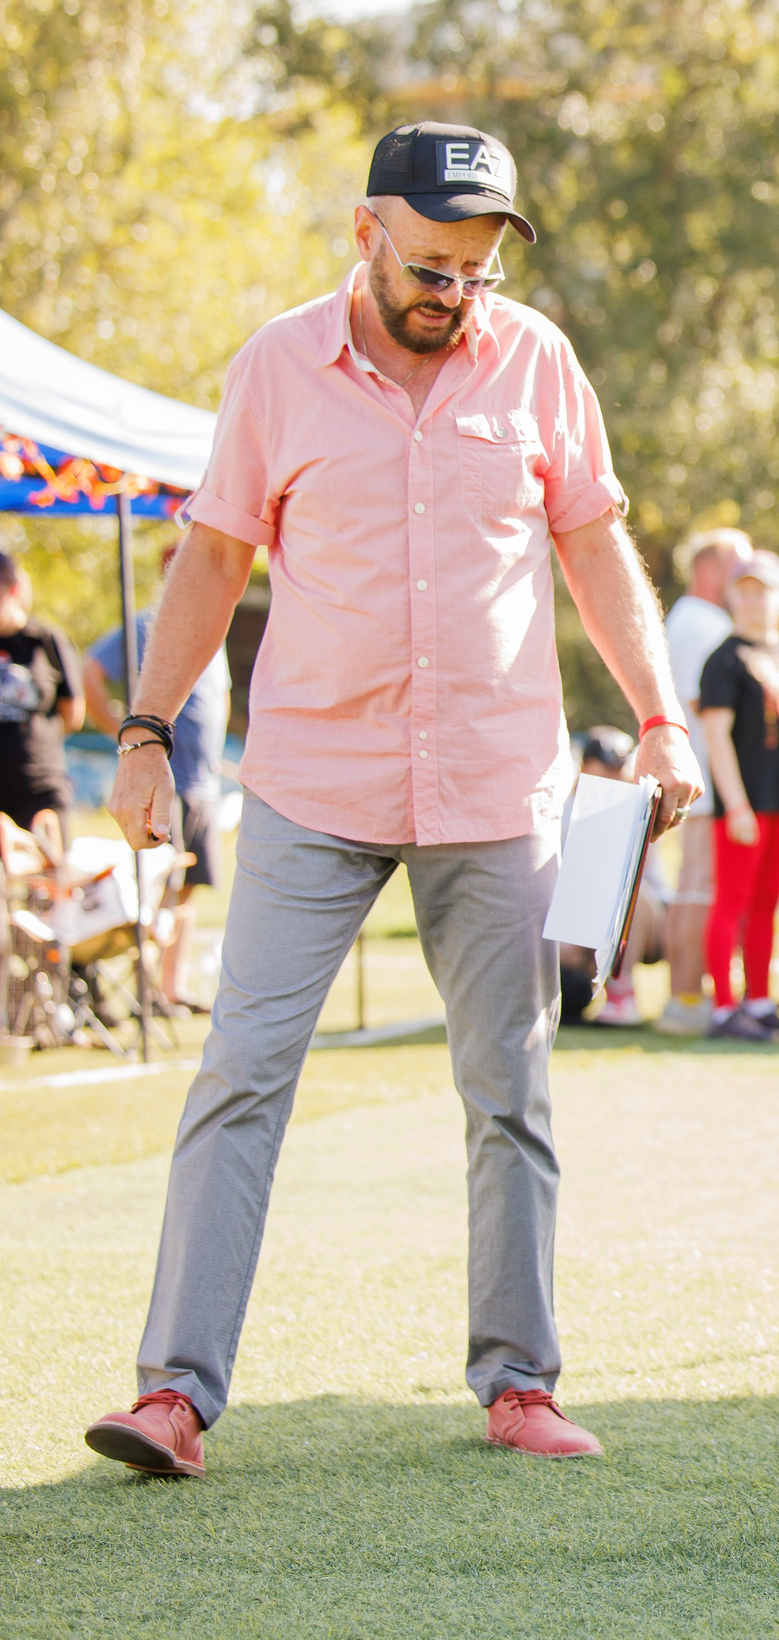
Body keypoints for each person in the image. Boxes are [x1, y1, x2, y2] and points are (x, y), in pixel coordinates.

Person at [80, 121, 704, 1479]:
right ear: (366, 232)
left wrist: (660, 718)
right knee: (241, 1076)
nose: (454, 291)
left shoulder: (536, 359)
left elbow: (593, 544)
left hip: (497, 787)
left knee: (511, 1090)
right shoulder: (276, 368)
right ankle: (172, 1397)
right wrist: (143, 729)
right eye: (432, 263)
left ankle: (520, 1383)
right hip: (313, 782)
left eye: (476, 268)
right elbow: (208, 561)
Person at [86, 535, 231, 1011]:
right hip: (167, 779)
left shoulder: (218, 622)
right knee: (158, 891)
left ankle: (170, 988)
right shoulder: (151, 624)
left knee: (187, 890)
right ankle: (143, 989)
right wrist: (129, 737)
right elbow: (91, 673)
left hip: (204, 782)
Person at [697, 550, 779, 1042]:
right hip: (745, 805)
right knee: (731, 901)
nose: (752, 601)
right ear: (732, 596)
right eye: (744, 590)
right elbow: (716, 736)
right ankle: (725, 1009)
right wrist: (736, 804)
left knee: (769, 903)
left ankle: (760, 998)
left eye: (762, 591)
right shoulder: (724, 659)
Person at [658, 526, 753, 1035]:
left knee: (693, 887)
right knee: (699, 891)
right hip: (707, 779)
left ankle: (687, 997)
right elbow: (707, 703)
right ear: (709, 568)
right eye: (735, 566)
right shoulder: (704, 623)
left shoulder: (688, 619)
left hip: (699, 776)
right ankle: (687, 1001)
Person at [557, 727, 666, 1026]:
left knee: (634, 895)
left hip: (635, 919)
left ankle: (621, 992)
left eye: (619, 767)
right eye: (607, 766)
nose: (614, 774)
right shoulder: (559, 814)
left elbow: (656, 885)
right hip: (577, 921)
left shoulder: (640, 811)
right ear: (586, 766)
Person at [0, 551, 84, 844]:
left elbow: (72, 714)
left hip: (39, 786)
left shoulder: (44, 639)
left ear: (13, 591)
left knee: (50, 882)